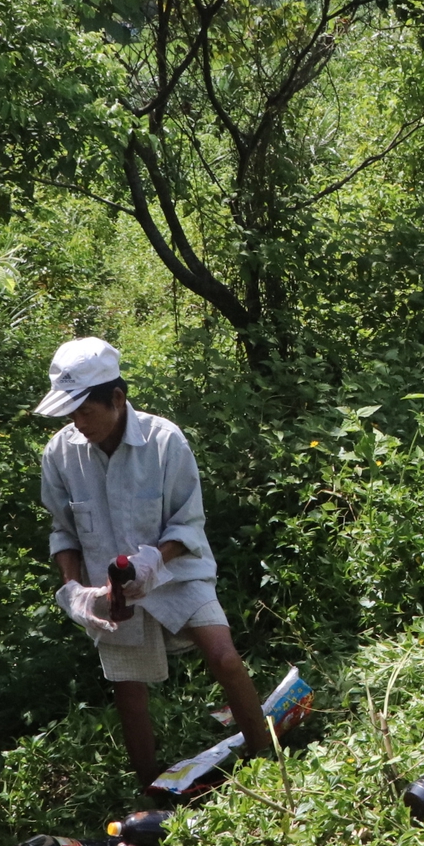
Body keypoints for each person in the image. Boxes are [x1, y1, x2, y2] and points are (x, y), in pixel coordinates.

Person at [36, 337, 270, 788]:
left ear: (117, 399)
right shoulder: (60, 455)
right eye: (70, 413)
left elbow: (188, 522)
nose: (77, 423)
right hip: (110, 592)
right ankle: (151, 789)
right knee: (129, 690)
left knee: (224, 658)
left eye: (86, 411)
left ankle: (266, 756)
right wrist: (73, 589)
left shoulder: (164, 441)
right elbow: (62, 530)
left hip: (177, 572)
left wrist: (152, 561)